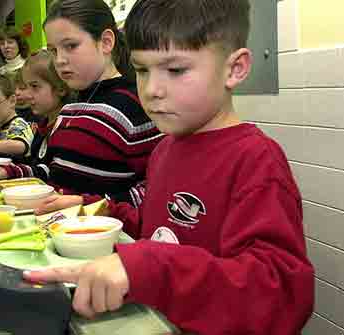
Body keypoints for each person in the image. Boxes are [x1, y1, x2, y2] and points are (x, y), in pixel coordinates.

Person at [24, 1, 315, 334]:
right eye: (143, 70)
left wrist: (148, 269)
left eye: (175, 70)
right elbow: (160, 228)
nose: (152, 90)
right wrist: (95, 209)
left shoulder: (255, 159)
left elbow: (280, 295)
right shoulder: (165, 150)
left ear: (234, 69)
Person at [26, 0, 163, 214]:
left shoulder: (136, 106)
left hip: (105, 239)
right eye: (53, 50)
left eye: (71, 46)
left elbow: (155, 190)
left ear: (106, 42)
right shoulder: (69, 107)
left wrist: (90, 205)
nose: (59, 60)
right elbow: (58, 172)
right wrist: (16, 171)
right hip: (57, 231)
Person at [0, 49, 72, 176]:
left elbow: (52, 173)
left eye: (35, 86)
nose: (27, 95)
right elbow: (32, 162)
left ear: (61, 88)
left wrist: (15, 171)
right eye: (26, 87)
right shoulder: (45, 125)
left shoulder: (67, 129)